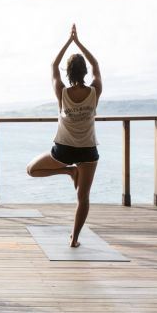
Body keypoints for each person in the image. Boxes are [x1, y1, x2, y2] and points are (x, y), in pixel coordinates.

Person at [26, 24, 102, 247]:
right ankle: (74, 239)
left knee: (32, 170)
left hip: (63, 149)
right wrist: (79, 42)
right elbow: (97, 64)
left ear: (68, 73)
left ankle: (68, 170)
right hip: (88, 151)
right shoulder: (95, 91)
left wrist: (69, 41)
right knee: (83, 198)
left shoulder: (62, 92)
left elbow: (53, 65)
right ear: (85, 72)